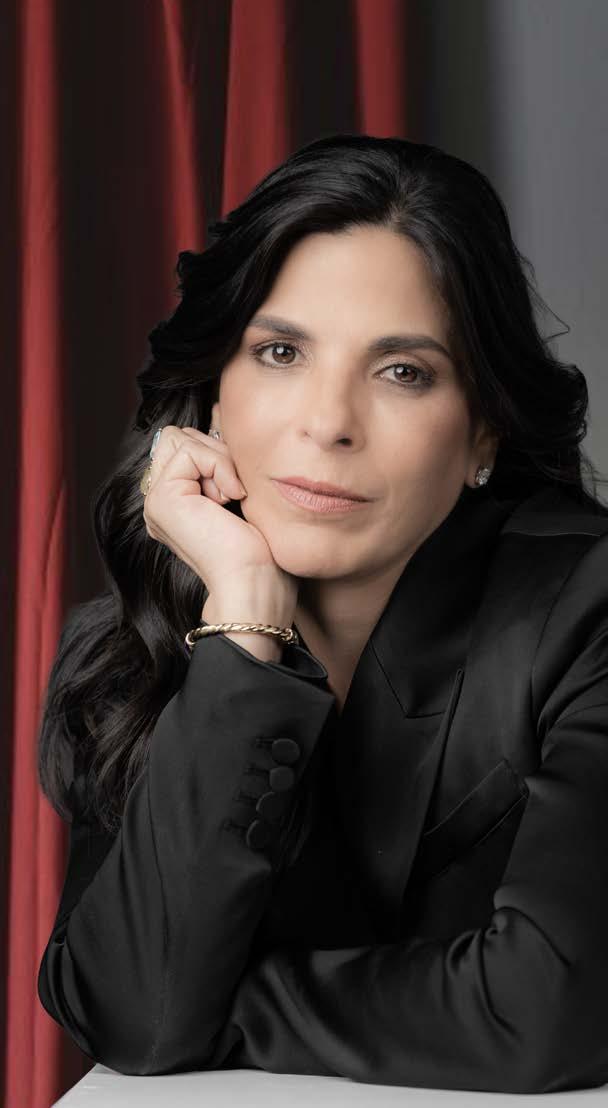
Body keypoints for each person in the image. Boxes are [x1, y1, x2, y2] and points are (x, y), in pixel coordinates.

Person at [36, 133, 608, 1093]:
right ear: (216, 395)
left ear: (483, 433)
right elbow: (132, 1012)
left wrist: (218, 1009)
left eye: (402, 371)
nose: (328, 422)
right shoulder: (131, 643)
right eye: (280, 352)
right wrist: (245, 627)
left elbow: (545, 1011)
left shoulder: (588, 606)